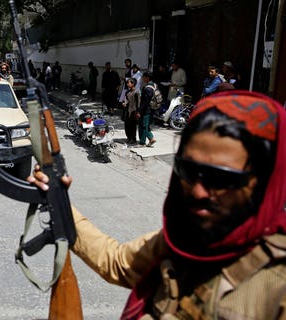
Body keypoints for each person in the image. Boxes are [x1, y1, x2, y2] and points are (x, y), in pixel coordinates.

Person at [29, 90, 286, 319]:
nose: (197, 191)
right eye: (187, 170)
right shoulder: (181, 240)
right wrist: (59, 201)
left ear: (265, 183)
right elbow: (117, 262)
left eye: (220, 178)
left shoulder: (277, 284)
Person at [137, 72, 157, 147]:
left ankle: (145, 141)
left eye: (143, 77)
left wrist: (139, 111)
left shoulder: (147, 88)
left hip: (146, 110)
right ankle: (149, 140)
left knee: (143, 126)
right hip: (152, 109)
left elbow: (144, 102)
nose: (142, 78)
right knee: (145, 125)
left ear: (147, 78)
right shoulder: (154, 85)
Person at [121, 78, 139, 145]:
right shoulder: (127, 92)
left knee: (133, 126)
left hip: (134, 111)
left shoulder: (136, 92)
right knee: (127, 125)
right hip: (127, 110)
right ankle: (128, 138)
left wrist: (138, 112)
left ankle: (133, 139)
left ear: (133, 84)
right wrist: (124, 103)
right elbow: (126, 100)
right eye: (127, 83)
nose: (128, 84)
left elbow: (138, 103)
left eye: (129, 83)